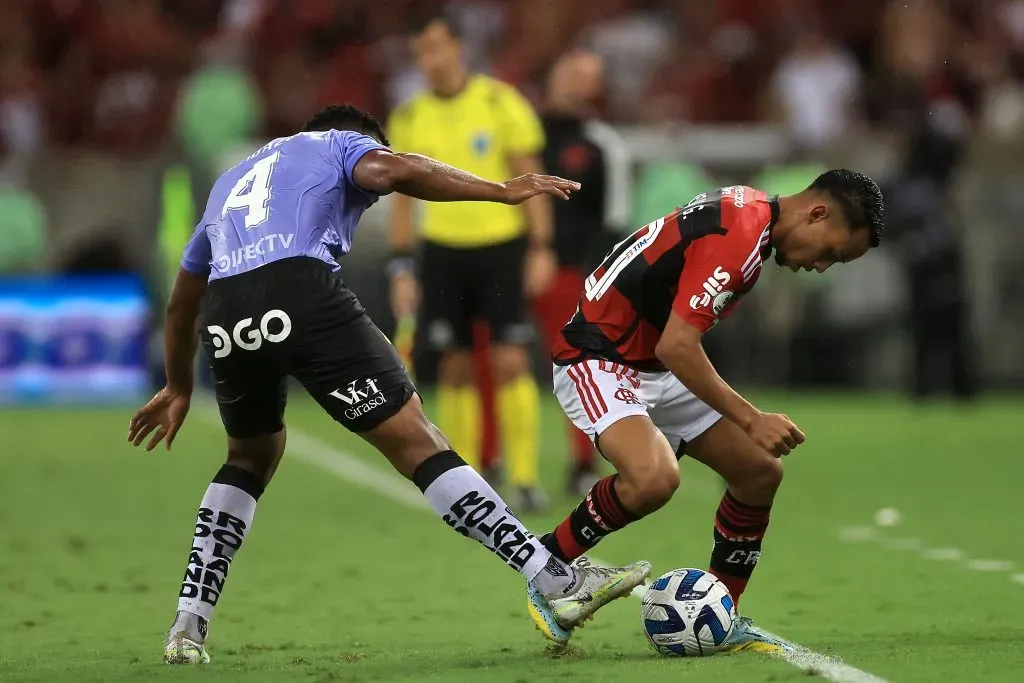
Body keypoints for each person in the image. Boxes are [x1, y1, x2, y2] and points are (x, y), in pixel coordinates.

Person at [126, 104, 650, 664]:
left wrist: (179, 385)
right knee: (417, 441)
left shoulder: (230, 182)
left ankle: (188, 625)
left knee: (250, 457)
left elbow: (184, 302)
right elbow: (395, 170)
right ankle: (554, 580)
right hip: (300, 290)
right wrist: (499, 191)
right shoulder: (336, 144)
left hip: (227, 315)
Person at [530, 171, 884, 650]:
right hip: (599, 356)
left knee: (759, 472)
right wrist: (750, 417)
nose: (822, 265)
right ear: (816, 213)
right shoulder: (741, 236)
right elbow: (680, 345)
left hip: (651, 359)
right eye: (832, 252)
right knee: (655, 479)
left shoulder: (751, 213)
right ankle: (549, 571)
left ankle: (722, 615)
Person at [387, 11, 555, 511]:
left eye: (437, 46)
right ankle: (469, 477)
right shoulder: (409, 116)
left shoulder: (501, 103)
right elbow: (400, 199)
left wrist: (541, 246)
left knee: (509, 358)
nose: (429, 59)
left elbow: (532, 177)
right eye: (421, 50)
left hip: (500, 248)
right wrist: (401, 266)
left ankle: (524, 477)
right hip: (440, 251)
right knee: (455, 365)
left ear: (459, 47)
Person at [536, 49, 632, 495]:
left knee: (578, 369)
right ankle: (491, 461)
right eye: (570, 72)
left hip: (572, 274)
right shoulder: (521, 134)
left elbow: (614, 222)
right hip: (512, 266)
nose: (576, 83)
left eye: (586, 77)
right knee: (491, 361)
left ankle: (582, 463)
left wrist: (591, 279)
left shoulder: (602, 145)